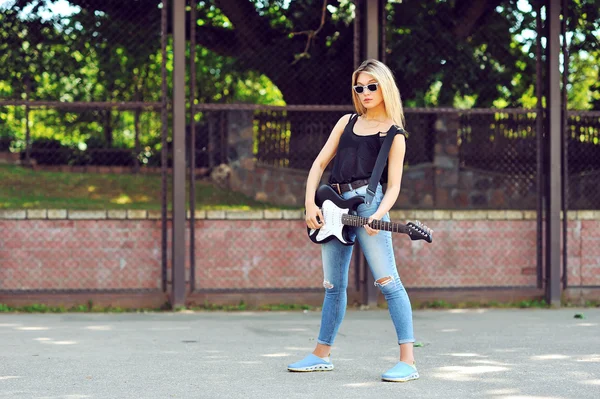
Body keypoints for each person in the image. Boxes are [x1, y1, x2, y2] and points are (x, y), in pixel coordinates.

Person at [287, 59, 418, 382]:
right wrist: (308, 204)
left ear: (385, 87)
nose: (365, 92)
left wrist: (376, 214)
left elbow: (395, 185)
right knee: (333, 286)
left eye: (372, 86)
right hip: (332, 206)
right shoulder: (346, 121)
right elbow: (319, 164)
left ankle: (408, 361)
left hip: (370, 204)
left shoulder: (393, 134)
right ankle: (321, 355)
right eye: (359, 87)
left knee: (388, 282)